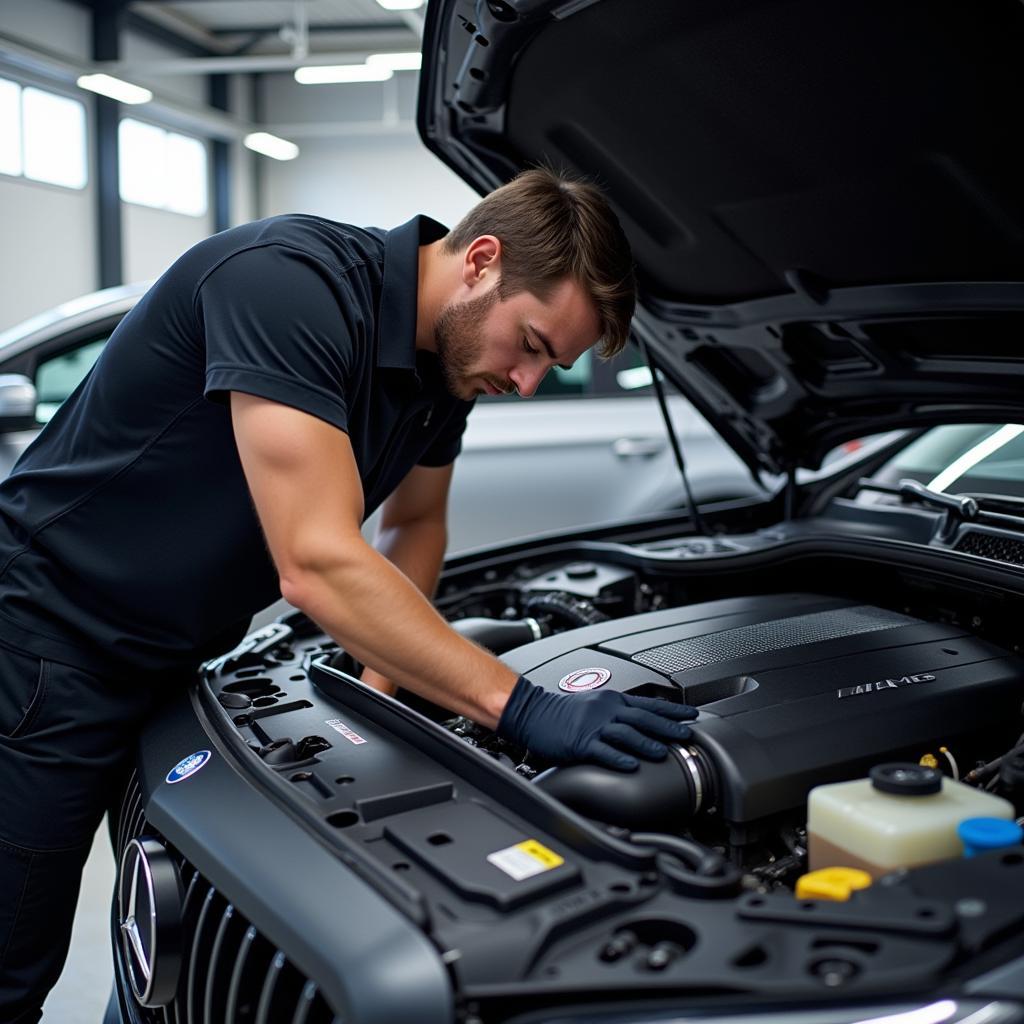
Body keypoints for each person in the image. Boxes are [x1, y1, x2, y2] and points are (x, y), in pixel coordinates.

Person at [0, 168, 696, 1021]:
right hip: (45, 648)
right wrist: (518, 706)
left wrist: (383, 679)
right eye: (535, 346)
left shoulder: (445, 367)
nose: (527, 383)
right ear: (481, 260)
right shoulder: (290, 285)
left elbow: (416, 525)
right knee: (12, 962)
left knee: (155, 953)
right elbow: (317, 560)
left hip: (170, 658)